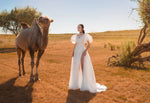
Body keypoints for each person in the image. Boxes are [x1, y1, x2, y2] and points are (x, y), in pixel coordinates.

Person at [69, 24, 107, 93]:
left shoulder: (85, 36)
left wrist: (85, 51)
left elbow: (89, 44)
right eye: (77, 27)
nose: (78, 28)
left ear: (82, 28)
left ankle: (85, 83)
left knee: (83, 67)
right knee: (76, 67)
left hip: (82, 51)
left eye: (79, 27)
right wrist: (73, 52)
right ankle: (77, 83)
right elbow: (75, 44)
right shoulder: (76, 36)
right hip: (76, 51)